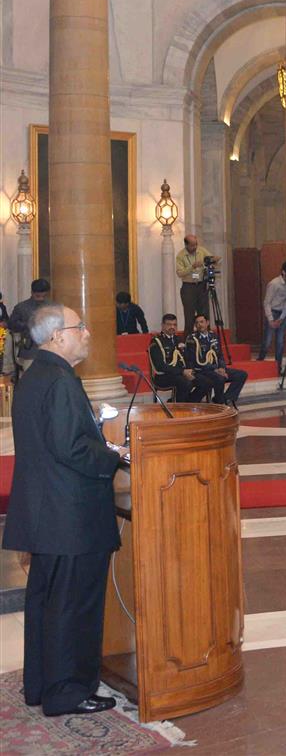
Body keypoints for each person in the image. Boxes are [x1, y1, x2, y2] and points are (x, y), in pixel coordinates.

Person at [3, 303, 121, 716]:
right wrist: (115, 456)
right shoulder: (61, 381)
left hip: (46, 515)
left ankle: (42, 685)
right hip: (72, 518)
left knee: (48, 605)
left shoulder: (35, 377)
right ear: (57, 336)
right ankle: (69, 691)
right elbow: (72, 449)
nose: (87, 332)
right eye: (79, 326)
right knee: (74, 608)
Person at [187, 313, 248, 406]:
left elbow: (220, 355)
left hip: (217, 368)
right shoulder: (192, 339)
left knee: (241, 375)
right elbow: (196, 361)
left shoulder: (213, 336)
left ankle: (226, 398)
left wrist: (222, 368)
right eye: (197, 323)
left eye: (202, 322)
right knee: (220, 378)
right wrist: (215, 370)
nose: (200, 325)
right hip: (203, 370)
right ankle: (220, 403)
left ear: (207, 323)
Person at [147, 313, 210, 402]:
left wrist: (190, 371)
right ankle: (179, 407)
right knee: (186, 383)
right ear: (163, 326)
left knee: (206, 382)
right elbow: (160, 366)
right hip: (164, 376)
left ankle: (188, 403)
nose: (172, 327)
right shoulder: (156, 342)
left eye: (174, 325)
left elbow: (187, 358)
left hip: (181, 373)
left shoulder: (179, 339)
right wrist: (182, 372)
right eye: (169, 324)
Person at [8, 278, 52, 374]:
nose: (41, 299)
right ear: (32, 293)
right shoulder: (21, 307)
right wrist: (28, 324)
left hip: (50, 349)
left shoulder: (52, 306)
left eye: (43, 296)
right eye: (38, 296)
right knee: (31, 379)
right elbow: (11, 325)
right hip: (30, 350)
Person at [261, 261, 286, 366]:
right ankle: (259, 362)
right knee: (267, 341)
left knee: (280, 342)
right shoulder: (274, 284)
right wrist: (270, 319)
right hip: (273, 313)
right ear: (283, 272)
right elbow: (266, 302)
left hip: (283, 314)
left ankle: (278, 367)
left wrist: (282, 317)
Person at [175, 233, 213, 323]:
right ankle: (189, 336)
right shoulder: (180, 255)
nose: (195, 247)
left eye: (196, 244)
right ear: (186, 245)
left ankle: (206, 335)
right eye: (192, 245)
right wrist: (192, 267)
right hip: (188, 287)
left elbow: (210, 259)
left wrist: (212, 260)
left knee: (204, 315)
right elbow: (180, 273)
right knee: (189, 317)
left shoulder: (201, 250)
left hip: (201, 286)